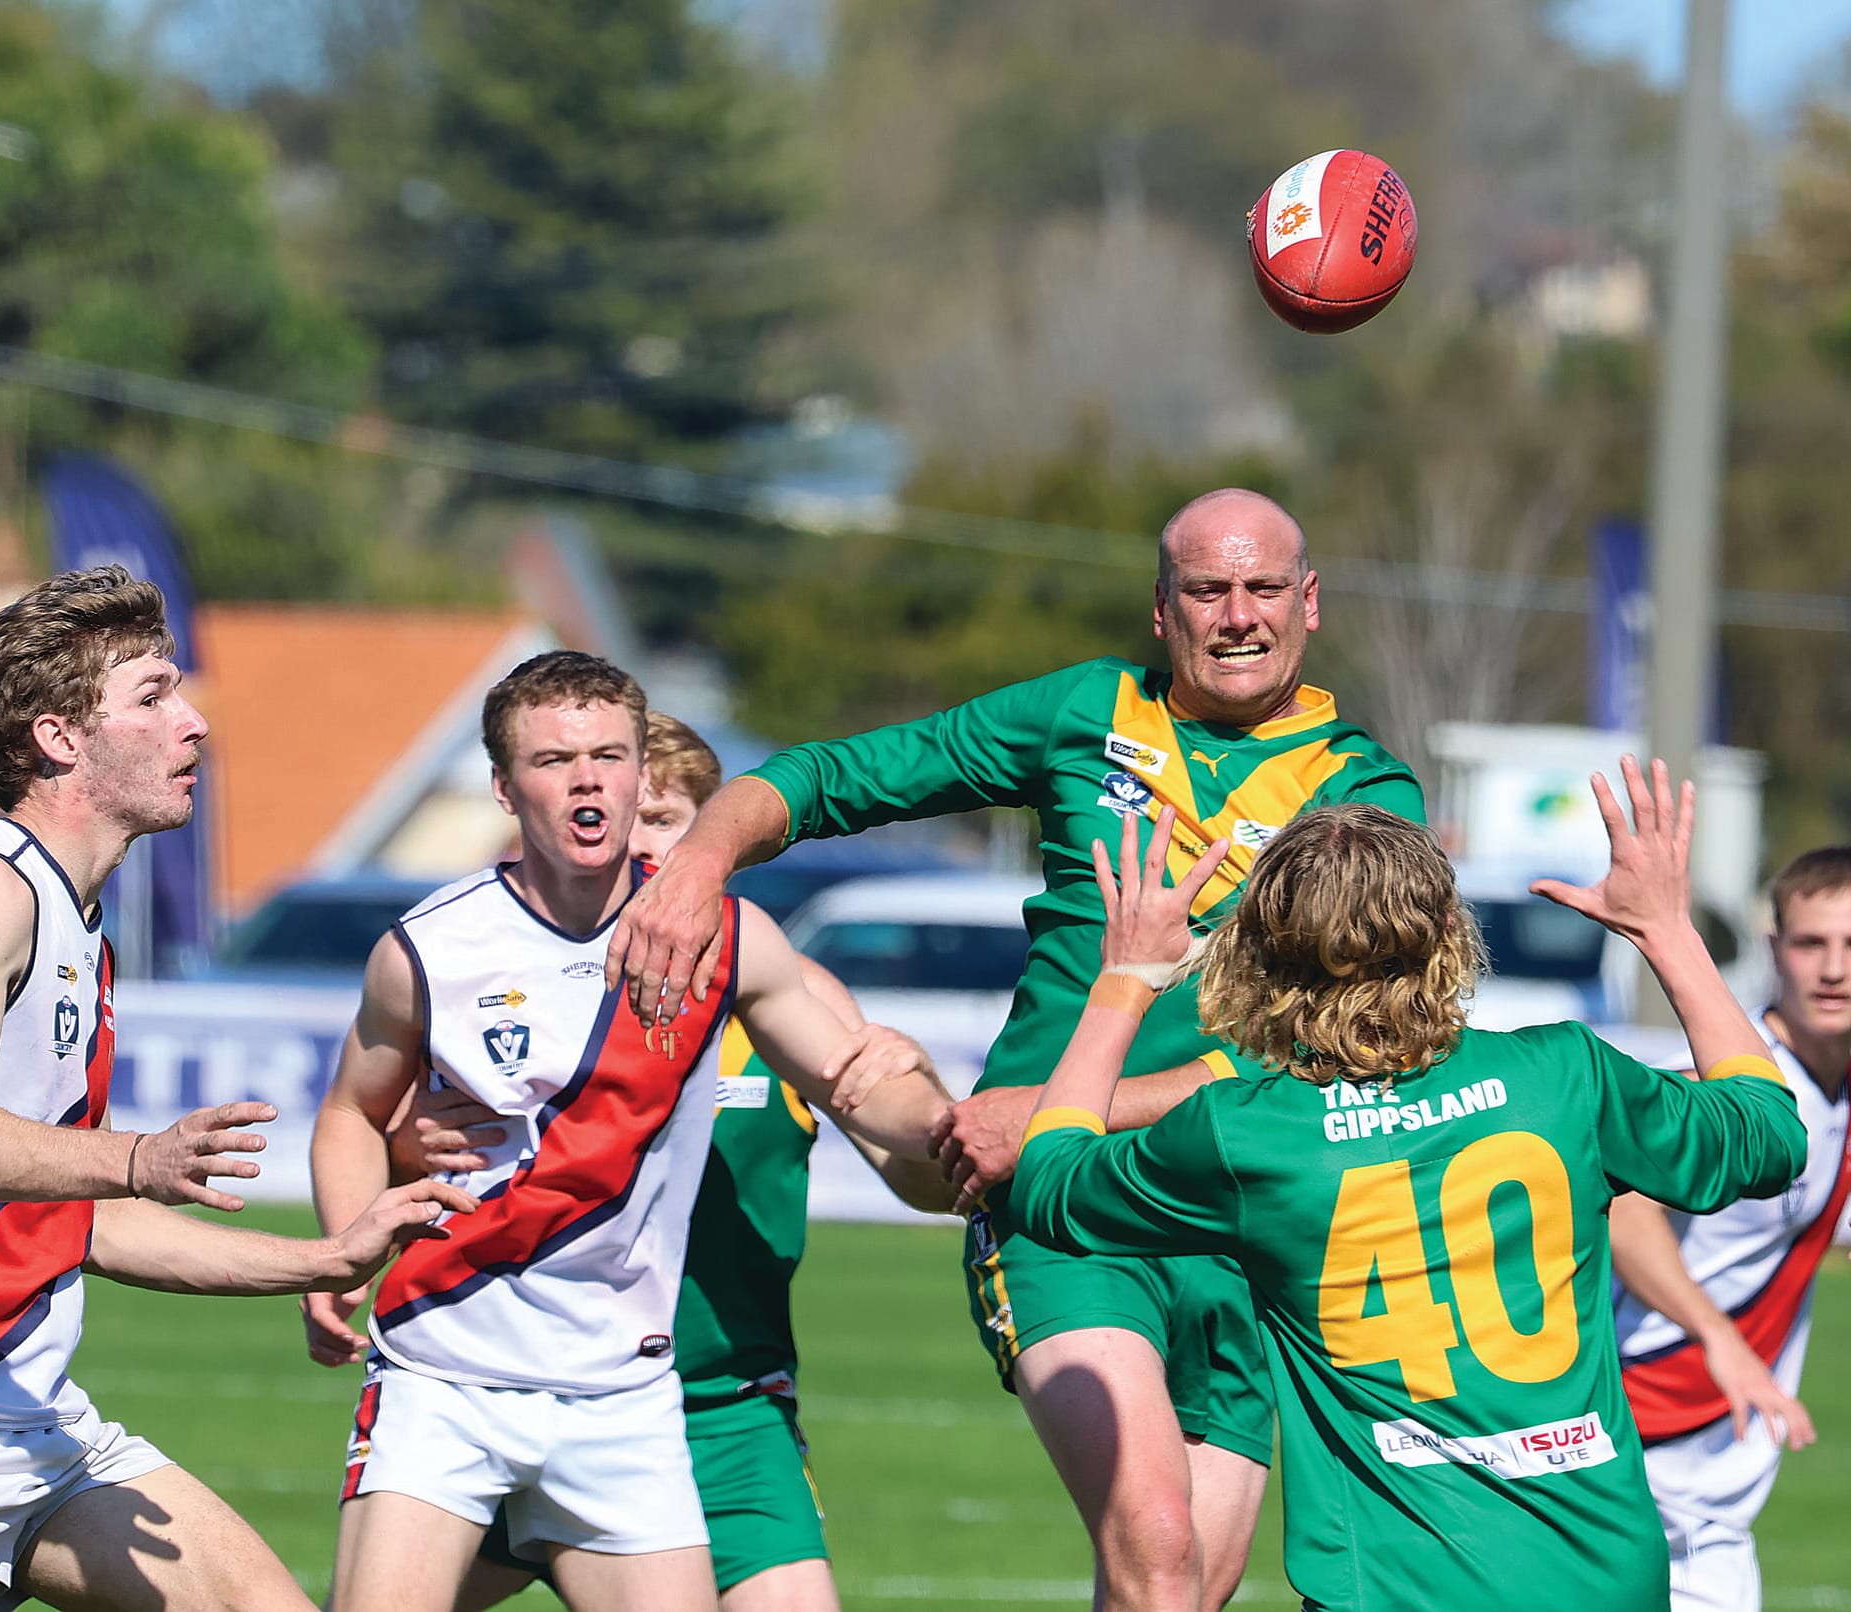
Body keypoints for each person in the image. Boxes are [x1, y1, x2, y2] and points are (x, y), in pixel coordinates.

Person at [608, 488, 1422, 1607]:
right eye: (1205, 590)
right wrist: (698, 865)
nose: (1236, 616)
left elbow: (1360, 1044)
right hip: (1063, 1201)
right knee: (1155, 1545)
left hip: (1249, 1226)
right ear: (1159, 608)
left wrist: (1073, 1103)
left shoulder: (1363, 794)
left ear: (1307, 602)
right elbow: (828, 777)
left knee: (1176, 1587)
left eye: (1262, 588)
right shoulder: (1082, 713)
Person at [1010, 765, 1805, 1612]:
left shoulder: (1242, 1132)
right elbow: (1770, 1134)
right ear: (1448, 935)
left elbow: (1046, 1183)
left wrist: (1125, 979)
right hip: (1601, 1574)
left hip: (1394, 1587)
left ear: (1263, 955)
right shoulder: (1566, 1075)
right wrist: (1666, 932)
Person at [0, 567, 472, 1612]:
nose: (192, 724)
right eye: (153, 695)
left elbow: (66, 1228)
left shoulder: (74, 923)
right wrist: (135, 1156)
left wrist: (320, 1258)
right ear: (59, 737)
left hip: (25, 1414)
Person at [302, 655, 952, 1612]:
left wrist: (953, 1121)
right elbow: (351, 1112)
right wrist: (343, 1252)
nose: (587, 779)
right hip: (446, 1373)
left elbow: (857, 1088)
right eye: (555, 758)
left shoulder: (728, 940)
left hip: (622, 1395)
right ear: (503, 784)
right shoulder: (428, 949)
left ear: (642, 775)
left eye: (609, 755)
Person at [1610, 845, 1851, 1612]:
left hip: (1713, 1474)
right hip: (1645, 1436)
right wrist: (1719, 1337)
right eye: (1813, 943)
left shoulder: (1834, 1087)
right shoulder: (1740, 1078)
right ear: (1776, 950)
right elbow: (1624, 1204)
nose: (1834, 970)